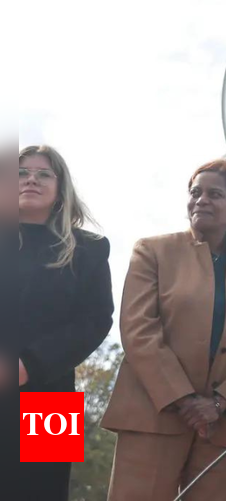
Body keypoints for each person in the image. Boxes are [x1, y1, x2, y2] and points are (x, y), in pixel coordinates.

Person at [102, 160, 226, 501]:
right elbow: (138, 329)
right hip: (153, 414)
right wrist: (184, 400)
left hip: (224, 424)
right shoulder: (152, 251)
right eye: (195, 192)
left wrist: (220, 403)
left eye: (214, 194)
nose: (201, 200)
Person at [12, 145, 114, 501]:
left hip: (49, 398)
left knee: (41, 491)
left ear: (61, 188)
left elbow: (96, 320)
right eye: (21, 173)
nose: (31, 180)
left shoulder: (89, 248)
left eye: (43, 174)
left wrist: (29, 365)